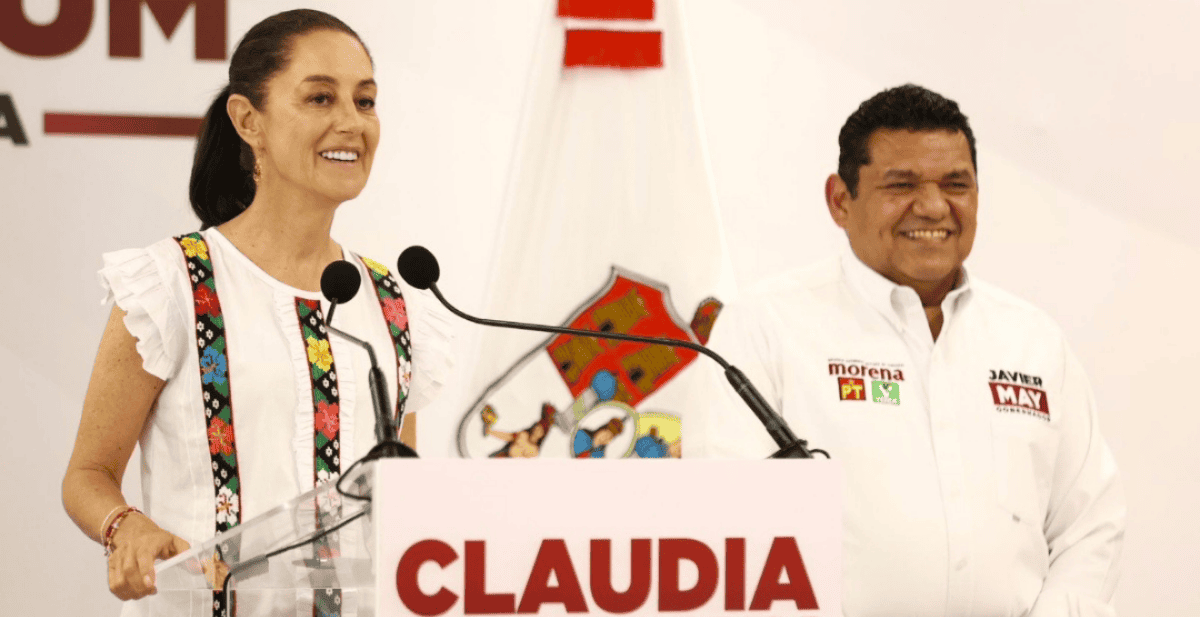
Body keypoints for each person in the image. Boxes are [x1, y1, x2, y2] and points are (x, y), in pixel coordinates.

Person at [60, 9, 453, 612]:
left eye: (365, 101)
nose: (352, 122)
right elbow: (88, 474)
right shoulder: (173, 283)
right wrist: (125, 526)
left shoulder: (394, 303)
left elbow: (400, 493)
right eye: (320, 98)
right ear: (248, 120)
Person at [687, 84, 1125, 616]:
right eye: (902, 185)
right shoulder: (766, 326)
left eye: (956, 184)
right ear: (840, 200)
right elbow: (728, 532)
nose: (934, 207)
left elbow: (1089, 525)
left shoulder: (1032, 340)